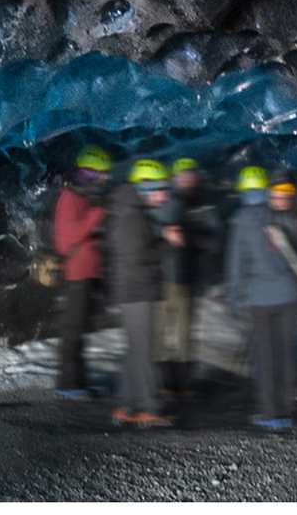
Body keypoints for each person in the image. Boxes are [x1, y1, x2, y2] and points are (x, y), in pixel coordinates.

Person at [226, 166, 297, 430]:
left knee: (267, 357)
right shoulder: (279, 216)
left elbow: (236, 265)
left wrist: (234, 296)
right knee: (285, 354)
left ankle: (270, 413)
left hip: (262, 299)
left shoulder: (240, 222)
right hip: (289, 296)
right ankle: (286, 411)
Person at [107, 159, 174, 427]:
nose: (166, 194)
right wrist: (168, 243)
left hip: (132, 290)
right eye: (162, 188)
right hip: (137, 290)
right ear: (147, 188)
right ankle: (149, 408)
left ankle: (126, 405)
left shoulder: (129, 212)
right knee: (144, 351)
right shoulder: (132, 216)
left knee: (135, 351)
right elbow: (140, 256)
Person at [157, 157, 222, 398]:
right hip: (164, 279)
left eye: (190, 175)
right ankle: (164, 382)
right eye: (182, 175)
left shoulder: (203, 207)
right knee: (164, 333)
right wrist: (165, 232)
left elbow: (215, 241)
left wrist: (192, 240)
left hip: (187, 279)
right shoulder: (165, 201)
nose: (187, 179)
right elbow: (148, 228)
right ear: (174, 179)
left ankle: (183, 383)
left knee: (183, 333)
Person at [52, 145, 110, 398]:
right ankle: (67, 385)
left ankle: (79, 381)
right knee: (73, 333)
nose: (107, 178)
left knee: (81, 332)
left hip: (87, 274)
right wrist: (97, 216)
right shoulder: (71, 199)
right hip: (78, 276)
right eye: (103, 173)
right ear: (91, 173)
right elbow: (65, 242)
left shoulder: (82, 197)